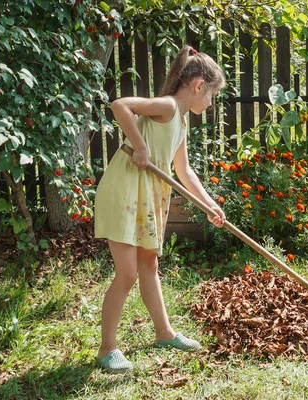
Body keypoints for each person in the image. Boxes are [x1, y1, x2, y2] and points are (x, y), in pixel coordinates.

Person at [93, 46, 226, 373]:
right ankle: (107, 348)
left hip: (148, 194)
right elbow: (120, 105)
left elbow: (184, 170)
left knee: (148, 265)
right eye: (211, 95)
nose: (210, 102)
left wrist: (209, 205)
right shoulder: (167, 107)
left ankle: (164, 332)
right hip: (125, 188)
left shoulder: (180, 120)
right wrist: (139, 145)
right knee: (127, 273)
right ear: (198, 85)